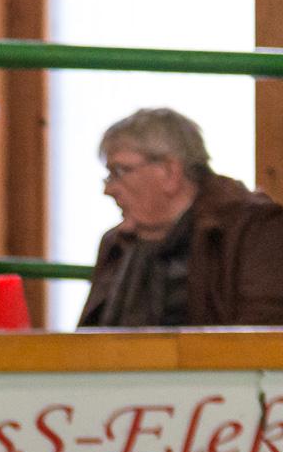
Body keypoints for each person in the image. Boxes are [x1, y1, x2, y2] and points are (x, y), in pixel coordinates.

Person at [79, 108, 283, 328]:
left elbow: (258, 342)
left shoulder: (254, 231)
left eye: (119, 171)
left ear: (169, 172)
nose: (108, 189)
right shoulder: (117, 244)